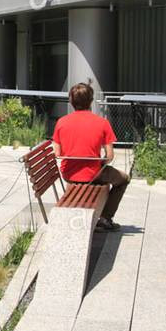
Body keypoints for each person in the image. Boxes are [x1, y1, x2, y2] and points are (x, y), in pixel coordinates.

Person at [51, 82, 129, 231]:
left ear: (71, 102)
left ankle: (103, 217)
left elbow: (57, 153)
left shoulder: (61, 122)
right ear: (91, 101)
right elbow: (110, 156)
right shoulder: (102, 123)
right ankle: (105, 218)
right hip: (94, 175)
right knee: (124, 179)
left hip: (69, 174)